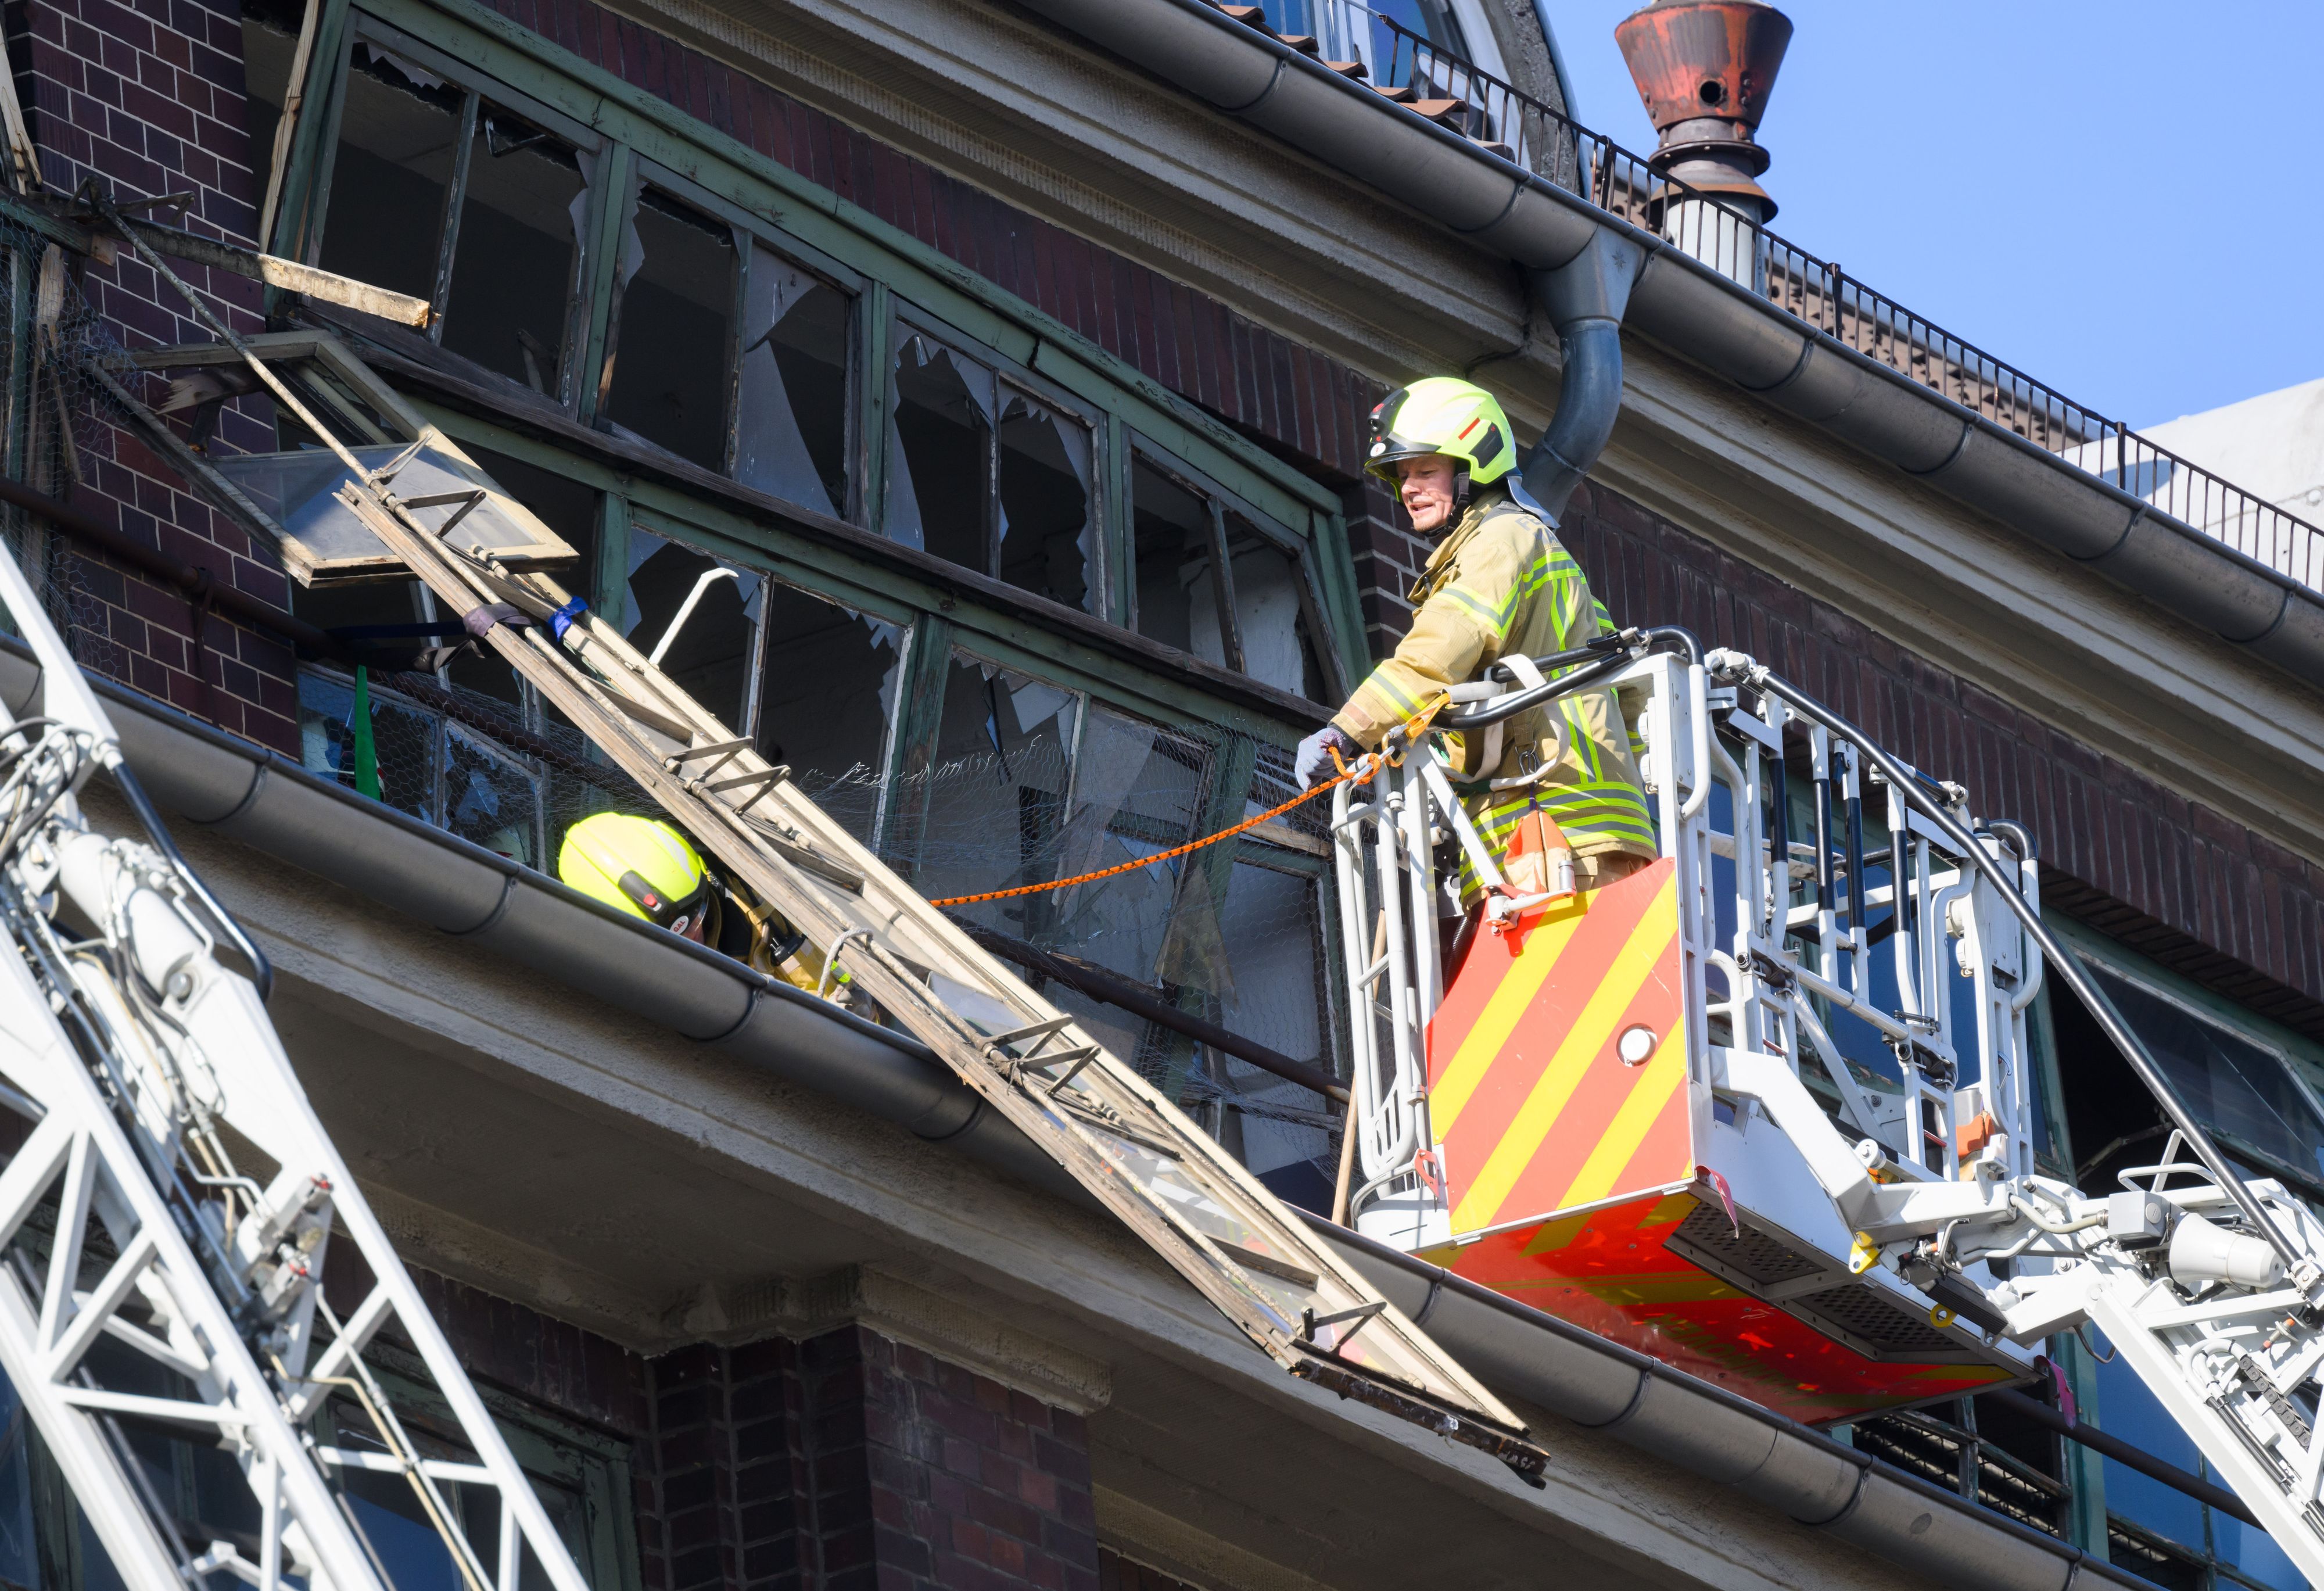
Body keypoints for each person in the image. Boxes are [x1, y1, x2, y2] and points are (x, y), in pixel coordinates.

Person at [1295, 377, 1656, 907]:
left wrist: (1348, 732)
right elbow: (1627, 694)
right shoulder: (1530, 548)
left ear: (1473, 465)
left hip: (1558, 835)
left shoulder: (1501, 539)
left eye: (1425, 470)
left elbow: (1438, 651)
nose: (1408, 488)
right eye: (1401, 475)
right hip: (1559, 837)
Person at [557, 811, 840, 996]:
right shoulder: (614, 987)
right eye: (675, 941)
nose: (697, 940)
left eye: (698, 920)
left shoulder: (766, 909)